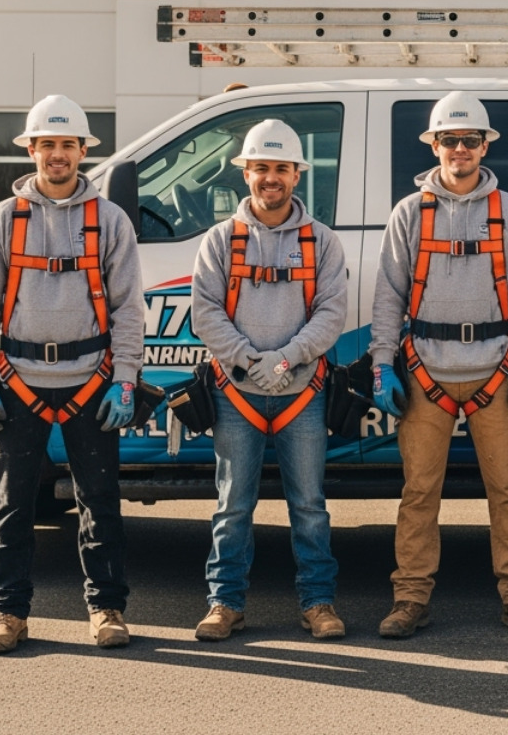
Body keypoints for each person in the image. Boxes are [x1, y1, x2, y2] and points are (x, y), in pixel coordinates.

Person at [0, 95, 144, 654]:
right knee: (12, 504)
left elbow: (128, 308)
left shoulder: (109, 221)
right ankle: (7, 614)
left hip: (92, 377)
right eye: (48, 144)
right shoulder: (4, 219)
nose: (58, 155)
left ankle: (106, 608)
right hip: (18, 378)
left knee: (100, 500)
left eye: (68, 145)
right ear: (32, 150)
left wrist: (127, 378)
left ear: (84, 152)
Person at [369, 92, 508, 639]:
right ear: (434, 145)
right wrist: (383, 365)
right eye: (449, 139)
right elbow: (388, 299)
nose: (459, 148)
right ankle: (410, 599)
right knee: (419, 493)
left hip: (495, 368)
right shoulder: (409, 214)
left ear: (484, 145)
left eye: (470, 139)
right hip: (426, 370)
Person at [189, 119, 348, 641]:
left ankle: (318, 604)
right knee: (233, 506)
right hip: (237, 394)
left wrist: (284, 360)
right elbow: (205, 312)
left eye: (281, 168)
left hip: (302, 393)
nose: (270, 178)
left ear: (297, 175)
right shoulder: (219, 241)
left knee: (309, 506)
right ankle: (224, 604)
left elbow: (331, 313)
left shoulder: (321, 242)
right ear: (246, 174)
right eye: (261, 168)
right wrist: (247, 360)